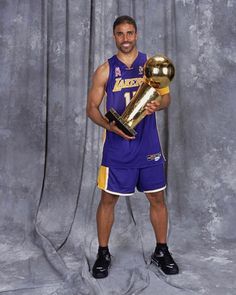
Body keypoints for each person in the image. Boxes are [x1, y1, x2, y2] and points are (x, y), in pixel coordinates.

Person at [86, 15, 179, 279]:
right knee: (107, 200)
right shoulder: (105, 69)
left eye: (129, 33)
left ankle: (161, 250)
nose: (125, 39)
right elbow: (91, 109)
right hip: (117, 147)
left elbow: (166, 98)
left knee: (157, 198)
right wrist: (108, 126)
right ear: (114, 36)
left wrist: (157, 105)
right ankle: (103, 253)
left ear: (136, 34)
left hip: (148, 145)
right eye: (120, 34)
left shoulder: (152, 65)